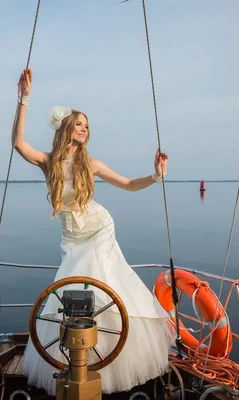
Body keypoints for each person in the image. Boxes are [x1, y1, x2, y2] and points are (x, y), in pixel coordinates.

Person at [13, 68, 177, 395]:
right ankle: (78, 359)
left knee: (101, 286)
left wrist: (156, 176)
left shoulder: (93, 163)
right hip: (71, 239)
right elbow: (17, 143)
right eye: (79, 124)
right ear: (66, 129)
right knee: (71, 295)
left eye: (87, 126)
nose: (85, 129)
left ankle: (109, 359)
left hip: (99, 229)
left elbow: (129, 185)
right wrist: (24, 98)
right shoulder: (49, 162)